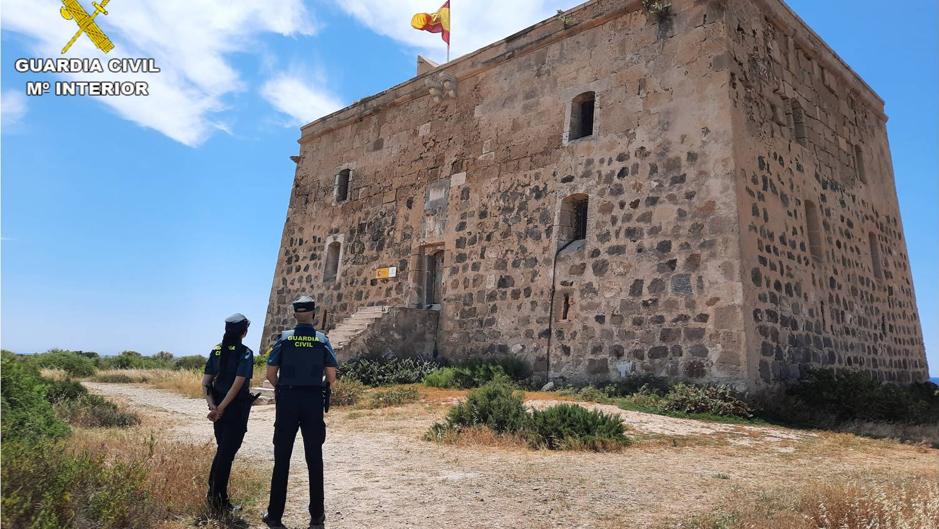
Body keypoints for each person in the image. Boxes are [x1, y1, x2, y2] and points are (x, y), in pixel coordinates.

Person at [262, 296, 338, 529]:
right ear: (314, 315)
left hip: (287, 400)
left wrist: (282, 388)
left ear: (295, 315)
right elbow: (332, 376)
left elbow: (270, 374)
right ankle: (317, 516)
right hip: (313, 400)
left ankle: (274, 516)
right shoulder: (321, 340)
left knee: (282, 459)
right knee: (314, 458)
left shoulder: (284, 339)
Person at [202, 313, 256, 513]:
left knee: (222, 451)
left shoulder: (216, 350)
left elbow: (206, 383)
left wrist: (213, 407)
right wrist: (222, 408)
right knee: (226, 454)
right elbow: (237, 385)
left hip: (218, 410)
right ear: (245, 331)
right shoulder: (245, 353)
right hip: (234, 410)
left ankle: (217, 495)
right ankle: (217, 501)